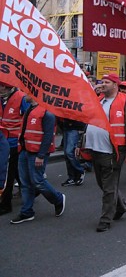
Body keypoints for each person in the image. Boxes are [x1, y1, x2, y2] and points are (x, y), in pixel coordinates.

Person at [79, 73, 126, 232]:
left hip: (113, 151)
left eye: (106, 82)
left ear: (115, 85)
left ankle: (106, 219)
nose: (102, 84)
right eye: (101, 82)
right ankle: (121, 206)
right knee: (103, 184)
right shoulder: (98, 100)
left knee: (109, 186)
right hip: (95, 148)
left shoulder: (124, 103)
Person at [10, 96, 65, 224]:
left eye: (27, 91)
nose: (24, 95)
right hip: (24, 151)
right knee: (26, 182)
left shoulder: (47, 113)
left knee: (37, 181)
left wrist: (41, 155)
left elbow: (48, 136)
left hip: (36, 153)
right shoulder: (30, 108)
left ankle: (58, 199)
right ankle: (27, 212)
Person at [0, 82, 30, 216]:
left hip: (13, 142)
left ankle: (6, 205)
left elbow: (29, 117)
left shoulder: (21, 97)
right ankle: (33, 190)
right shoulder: (2, 98)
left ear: (6, 86)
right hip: (3, 140)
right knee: (15, 171)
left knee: (7, 174)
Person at [59, 118, 87, 186]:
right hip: (67, 127)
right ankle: (72, 177)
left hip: (74, 127)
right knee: (67, 154)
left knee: (69, 152)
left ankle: (79, 171)